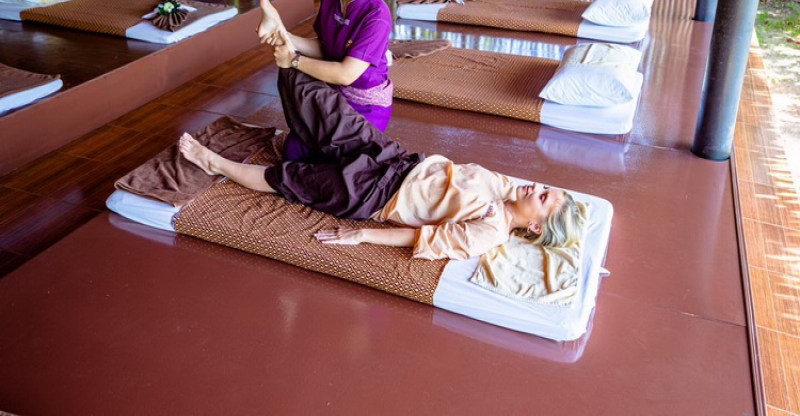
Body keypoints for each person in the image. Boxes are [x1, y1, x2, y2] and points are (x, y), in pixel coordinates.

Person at [178, 68, 587, 261]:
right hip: (394, 157)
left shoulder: (489, 232)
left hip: (373, 195)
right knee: (314, 96)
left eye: (542, 197)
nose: (535, 187)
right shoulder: (508, 187)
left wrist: (362, 236)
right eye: (543, 187)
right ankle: (291, 73)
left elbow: (425, 238)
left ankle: (214, 163)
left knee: (289, 179)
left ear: (535, 226)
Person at [258, 0, 393, 161]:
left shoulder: (377, 16)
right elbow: (325, 48)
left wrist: (294, 59)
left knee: (332, 164)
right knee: (293, 154)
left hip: (365, 108)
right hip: (335, 93)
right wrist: (284, 35)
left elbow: (345, 74)